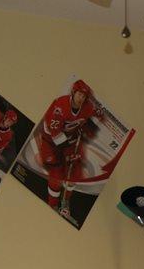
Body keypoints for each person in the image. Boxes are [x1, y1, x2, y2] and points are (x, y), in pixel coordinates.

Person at [36, 80, 98, 216]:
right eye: (79, 94)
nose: (81, 98)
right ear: (73, 92)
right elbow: (55, 133)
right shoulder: (60, 106)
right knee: (57, 173)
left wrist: (88, 129)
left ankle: (65, 201)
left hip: (70, 139)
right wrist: (66, 153)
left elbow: (90, 122)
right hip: (50, 140)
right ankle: (53, 203)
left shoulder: (87, 107)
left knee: (75, 170)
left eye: (84, 96)